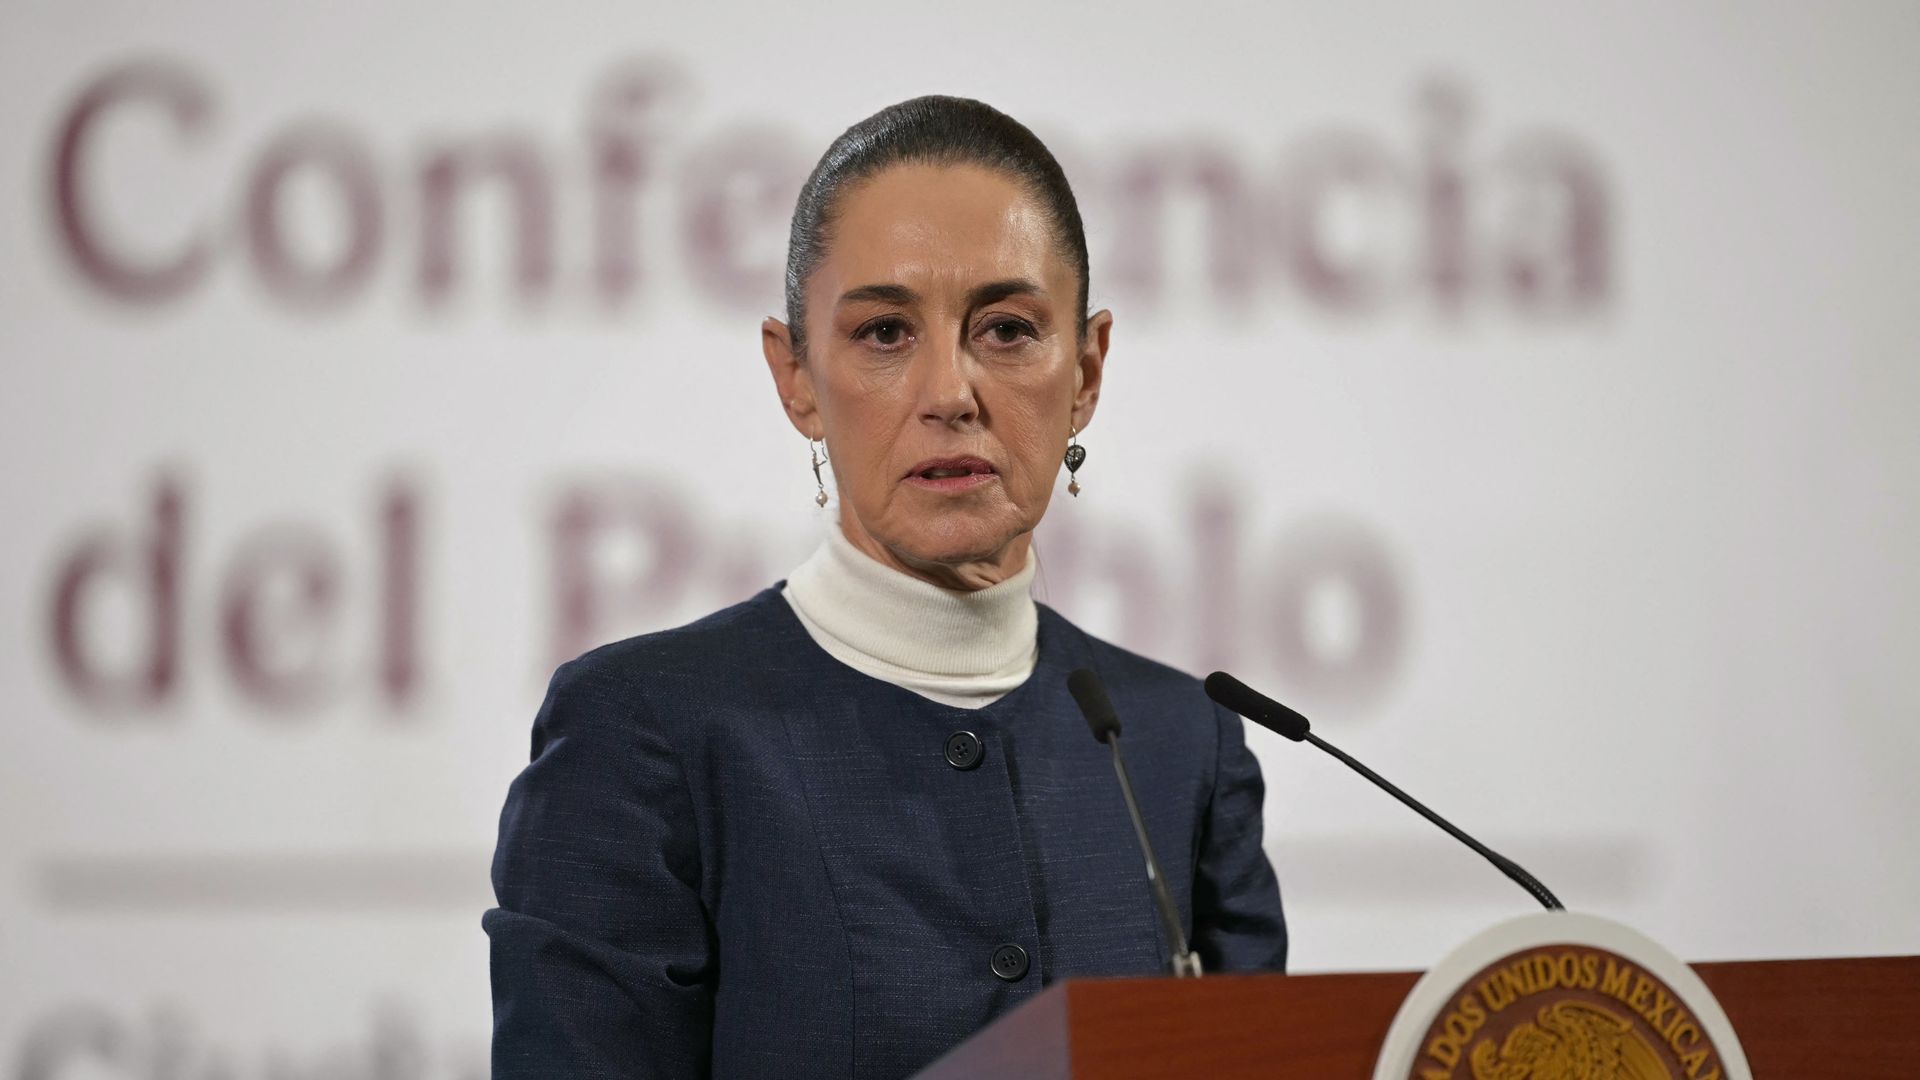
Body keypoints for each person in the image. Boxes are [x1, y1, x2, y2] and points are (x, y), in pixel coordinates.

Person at [483, 94, 1287, 1080]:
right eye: (883, 334)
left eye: (1005, 327)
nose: (951, 392)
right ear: (798, 378)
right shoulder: (650, 733)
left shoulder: (1175, 744)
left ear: (1084, 371)